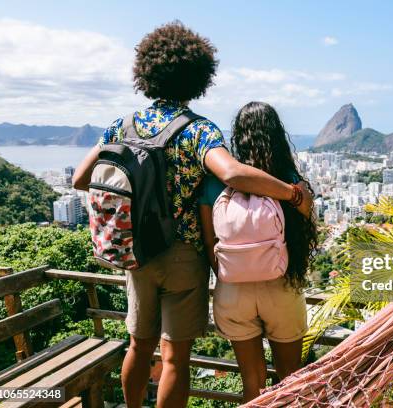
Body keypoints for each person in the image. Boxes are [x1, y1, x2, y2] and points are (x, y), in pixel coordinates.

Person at [72, 23, 310, 408]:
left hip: (134, 252)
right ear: (198, 78)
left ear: (146, 74)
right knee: (174, 359)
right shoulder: (198, 130)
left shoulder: (121, 125)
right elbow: (231, 173)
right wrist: (292, 192)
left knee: (137, 345)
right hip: (182, 255)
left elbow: (83, 178)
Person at [199, 101, 318, 402]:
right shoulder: (291, 183)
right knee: (290, 377)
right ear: (277, 134)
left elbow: (209, 244)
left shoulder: (214, 183)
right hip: (281, 286)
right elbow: (305, 231)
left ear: (238, 137)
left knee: (253, 382)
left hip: (232, 290)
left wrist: (232, 273)